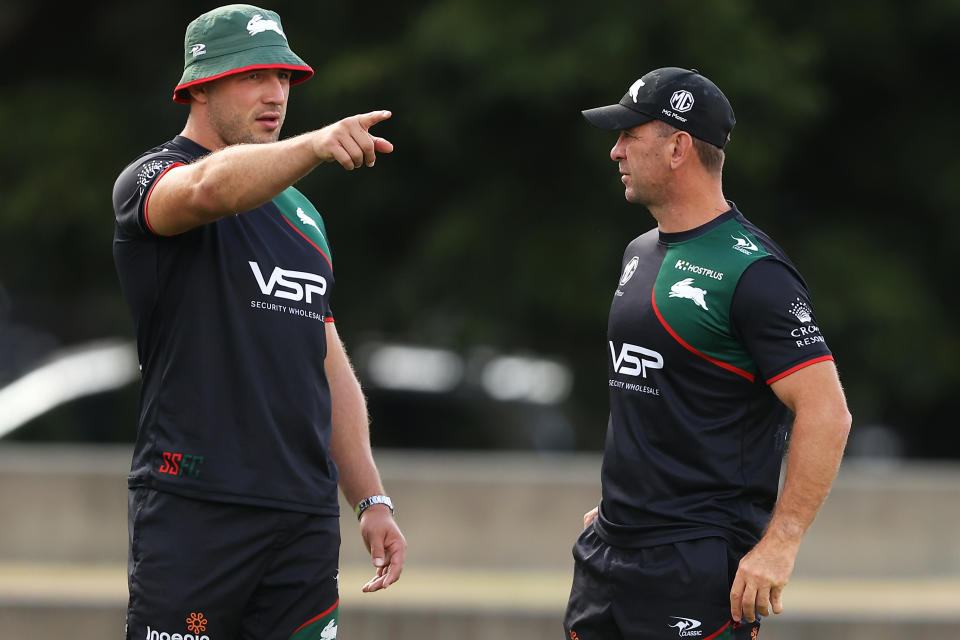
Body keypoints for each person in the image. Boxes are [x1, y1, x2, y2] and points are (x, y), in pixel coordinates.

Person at [111, 5, 405, 639]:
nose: (277, 94)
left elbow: (326, 363)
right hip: (196, 508)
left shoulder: (303, 215)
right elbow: (207, 191)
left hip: (301, 518)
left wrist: (370, 498)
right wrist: (316, 145)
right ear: (200, 84)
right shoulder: (152, 176)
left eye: (286, 78)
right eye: (254, 76)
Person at [563, 67, 852, 640]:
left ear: (677, 147)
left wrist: (780, 543)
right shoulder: (639, 252)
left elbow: (828, 413)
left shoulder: (755, 272)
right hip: (611, 553)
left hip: (697, 566)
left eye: (629, 135)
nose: (614, 151)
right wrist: (623, 509)